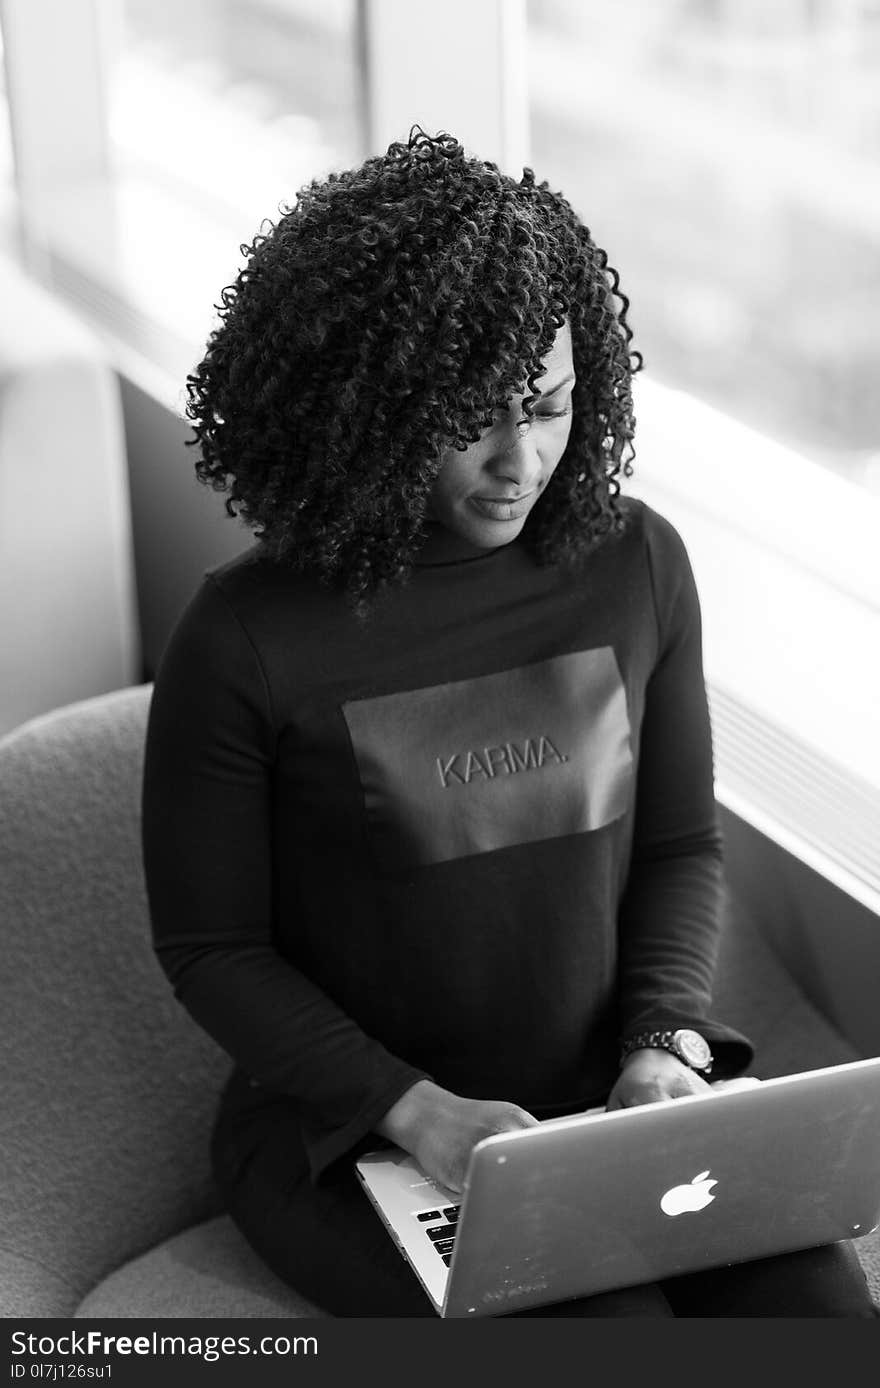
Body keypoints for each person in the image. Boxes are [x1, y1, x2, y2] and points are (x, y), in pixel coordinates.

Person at [141, 127, 876, 1317]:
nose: (519, 459)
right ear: (369, 407)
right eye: (469, 417)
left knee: (827, 1319)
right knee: (614, 1328)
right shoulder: (243, 637)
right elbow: (213, 950)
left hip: (608, 1104)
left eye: (547, 405)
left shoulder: (636, 563)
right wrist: (420, 1111)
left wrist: (663, 1045)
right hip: (357, 1140)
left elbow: (680, 849)